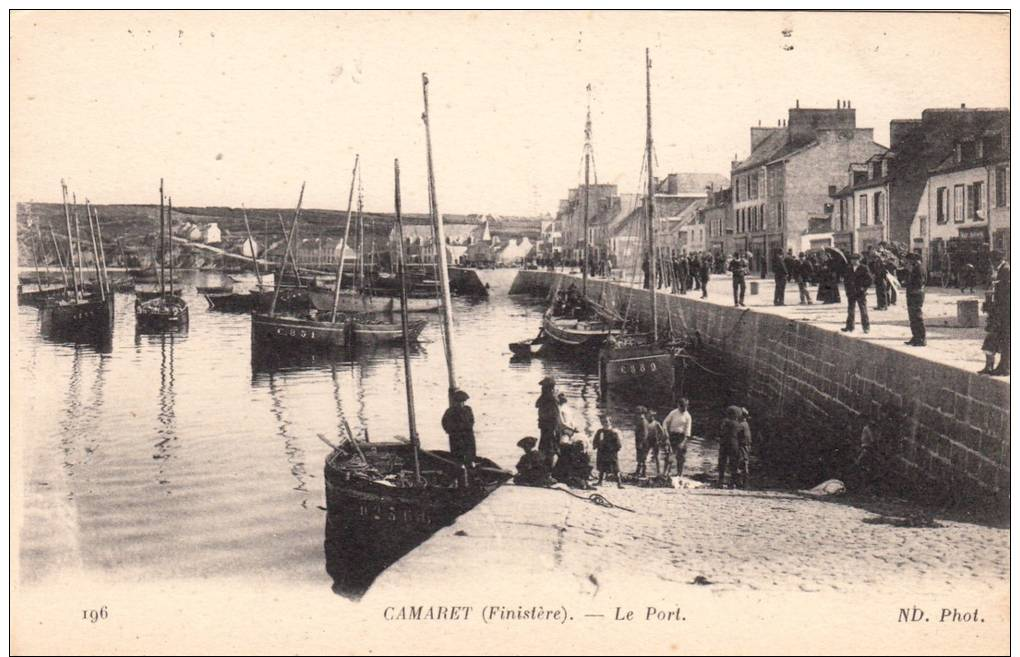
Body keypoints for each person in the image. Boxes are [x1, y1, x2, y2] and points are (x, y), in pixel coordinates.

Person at [980, 250, 1010, 375]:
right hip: (997, 312)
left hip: (1003, 312)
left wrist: (995, 307)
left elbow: (1005, 294)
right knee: (996, 339)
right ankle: (994, 367)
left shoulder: (1006, 270)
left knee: (1003, 340)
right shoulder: (1000, 270)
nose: (991, 263)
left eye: (991, 261)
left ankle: (1004, 367)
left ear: (995, 260)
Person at [441, 389, 476, 464]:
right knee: (457, 454)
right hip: (456, 437)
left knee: (470, 452)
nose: (462, 404)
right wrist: (452, 431)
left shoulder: (468, 409)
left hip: (467, 435)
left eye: (463, 402)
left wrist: (468, 428)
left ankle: (471, 463)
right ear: (456, 402)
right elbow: (445, 423)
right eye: (460, 402)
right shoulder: (450, 411)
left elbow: (471, 420)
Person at [841, 253, 873, 334]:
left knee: (863, 310)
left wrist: (863, 288)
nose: (854, 261)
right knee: (850, 310)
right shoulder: (848, 268)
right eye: (852, 259)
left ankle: (866, 327)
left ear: (859, 260)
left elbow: (869, 280)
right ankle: (850, 327)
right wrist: (847, 290)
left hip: (860, 292)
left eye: (856, 259)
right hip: (851, 292)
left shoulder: (864, 268)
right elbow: (846, 280)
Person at [662, 397, 692, 478]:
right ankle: (665, 473)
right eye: (682, 406)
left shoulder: (688, 416)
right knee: (669, 455)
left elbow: (688, 431)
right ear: (678, 405)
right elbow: (665, 422)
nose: (684, 408)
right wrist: (665, 433)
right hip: (672, 435)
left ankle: (679, 474)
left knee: (681, 457)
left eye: (686, 406)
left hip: (682, 436)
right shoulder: (673, 413)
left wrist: (683, 442)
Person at [535, 377, 561, 467]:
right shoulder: (548, 397)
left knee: (548, 448)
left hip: (549, 427)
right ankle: (546, 468)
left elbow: (555, 415)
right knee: (547, 447)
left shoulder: (550, 398)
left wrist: (555, 429)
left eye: (543, 387)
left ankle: (548, 469)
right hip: (546, 426)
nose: (542, 388)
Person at [592, 417, 624, 488]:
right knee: (602, 468)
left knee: (615, 469)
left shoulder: (613, 432)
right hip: (602, 452)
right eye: (604, 422)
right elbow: (595, 440)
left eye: (607, 422)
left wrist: (613, 449)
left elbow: (618, 445)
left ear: (610, 423)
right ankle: (600, 481)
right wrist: (595, 445)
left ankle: (619, 483)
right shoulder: (600, 431)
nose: (605, 424)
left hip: (611, 453)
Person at [904, 252, 927, 347]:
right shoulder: (915, 268)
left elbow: (920, 282)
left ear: (912, 260)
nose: (906, 263)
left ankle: (921, 338)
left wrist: (912, 288)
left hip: (916, 295)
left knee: (917, 317)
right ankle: (915, 337)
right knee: (912, 317)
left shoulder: (919, 268)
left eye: (907, 261)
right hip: (912, 294)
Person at [717, 405, 742, 489]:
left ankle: (720, 481)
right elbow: (740, 436)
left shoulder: (724, 422)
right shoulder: (738, 424)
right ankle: (732, 482)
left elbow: (720, 432)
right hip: (734, 444)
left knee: (722, 463)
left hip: (724, 444)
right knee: (733, 464)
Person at [644, 408, 668, 476]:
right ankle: (643, 471)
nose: (652, 417)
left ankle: (658, 472)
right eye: (650, 415)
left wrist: (660, 440)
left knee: (657, 456)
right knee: (644, 456)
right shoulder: (645, 422)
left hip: (655, 441)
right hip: (648, 440)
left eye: (653, 416)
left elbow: (662, 432)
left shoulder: (656, 423)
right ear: (647, 415)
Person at [633, 405, 650, 476]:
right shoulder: (641, 421)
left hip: (643, 442)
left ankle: (643, 472)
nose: (637, 415)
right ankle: (639, 471)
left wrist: (641, 443)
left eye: (639, 413)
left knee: (642, 458)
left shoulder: (643, 421)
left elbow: (645, 434)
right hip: (640, 441)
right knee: (640, 457)